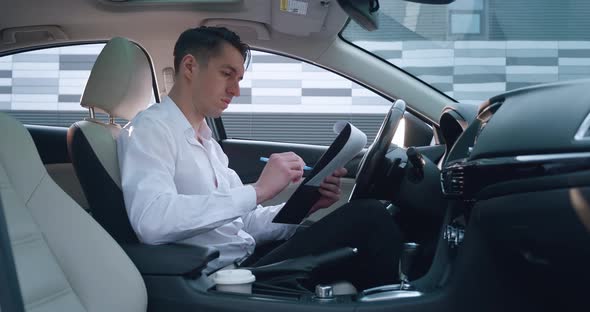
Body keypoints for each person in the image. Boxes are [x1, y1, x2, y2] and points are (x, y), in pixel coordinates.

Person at [117, 26, 403, 290]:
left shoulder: (206, 140)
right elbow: (152, 222)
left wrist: (304, 207)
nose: (236, 90)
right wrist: (258, 190)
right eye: (226, 74)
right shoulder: (150, 130)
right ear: (190, 66)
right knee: (369, 217)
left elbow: (243, 224)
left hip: (248, 259)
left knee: (354, 230)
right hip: (221, 280)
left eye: (239, 79)